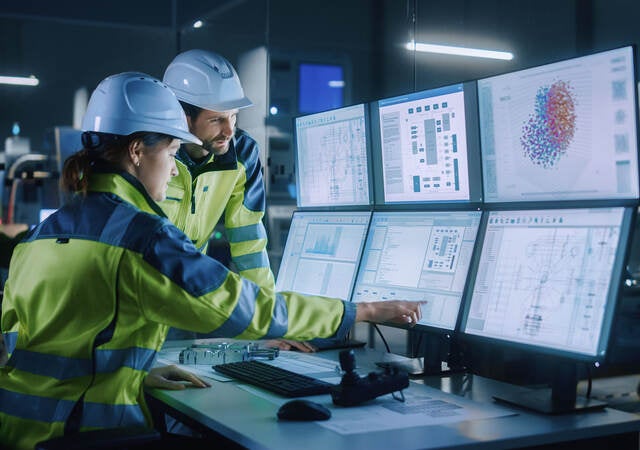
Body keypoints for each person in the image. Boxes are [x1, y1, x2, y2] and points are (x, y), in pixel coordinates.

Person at [0, 72, 422, 450]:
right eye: (169, 153)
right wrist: (358, 311)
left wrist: (135, 374)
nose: (172, 169)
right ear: (136, 152)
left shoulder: (42, 234)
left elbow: (32, 343)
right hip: (88, 432)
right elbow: (239, 306)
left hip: (20, 431)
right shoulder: (141, 238)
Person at [161, 49, 313, 351]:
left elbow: (249, 242)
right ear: (182, 116)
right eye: (217, 119)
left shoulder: (242, 153)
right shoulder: (153, 153)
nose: (229, 130)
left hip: (183, 299)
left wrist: (267, 323)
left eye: (234, 116)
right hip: (135, 295)